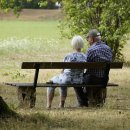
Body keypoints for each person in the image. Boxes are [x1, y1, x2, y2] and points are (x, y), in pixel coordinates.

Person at [74, 29, 113, 107]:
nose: (88, 40)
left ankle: (83, 102)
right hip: (104, 79)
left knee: (75, 81)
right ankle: (93, 100)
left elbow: (85, 64)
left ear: (92, 38)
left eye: (88, 38)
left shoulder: (91, 50)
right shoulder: (108, 49)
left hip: (92, 78)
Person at [47, 35, 86, 108]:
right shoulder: (84, 56)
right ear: (82, 45)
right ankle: (61, 104)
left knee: (54, 81)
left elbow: (62, 70)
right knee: (63, 81)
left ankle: (49, 105)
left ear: (73, 45)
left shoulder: (69, 56)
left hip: (66, 80)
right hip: (78, 81)